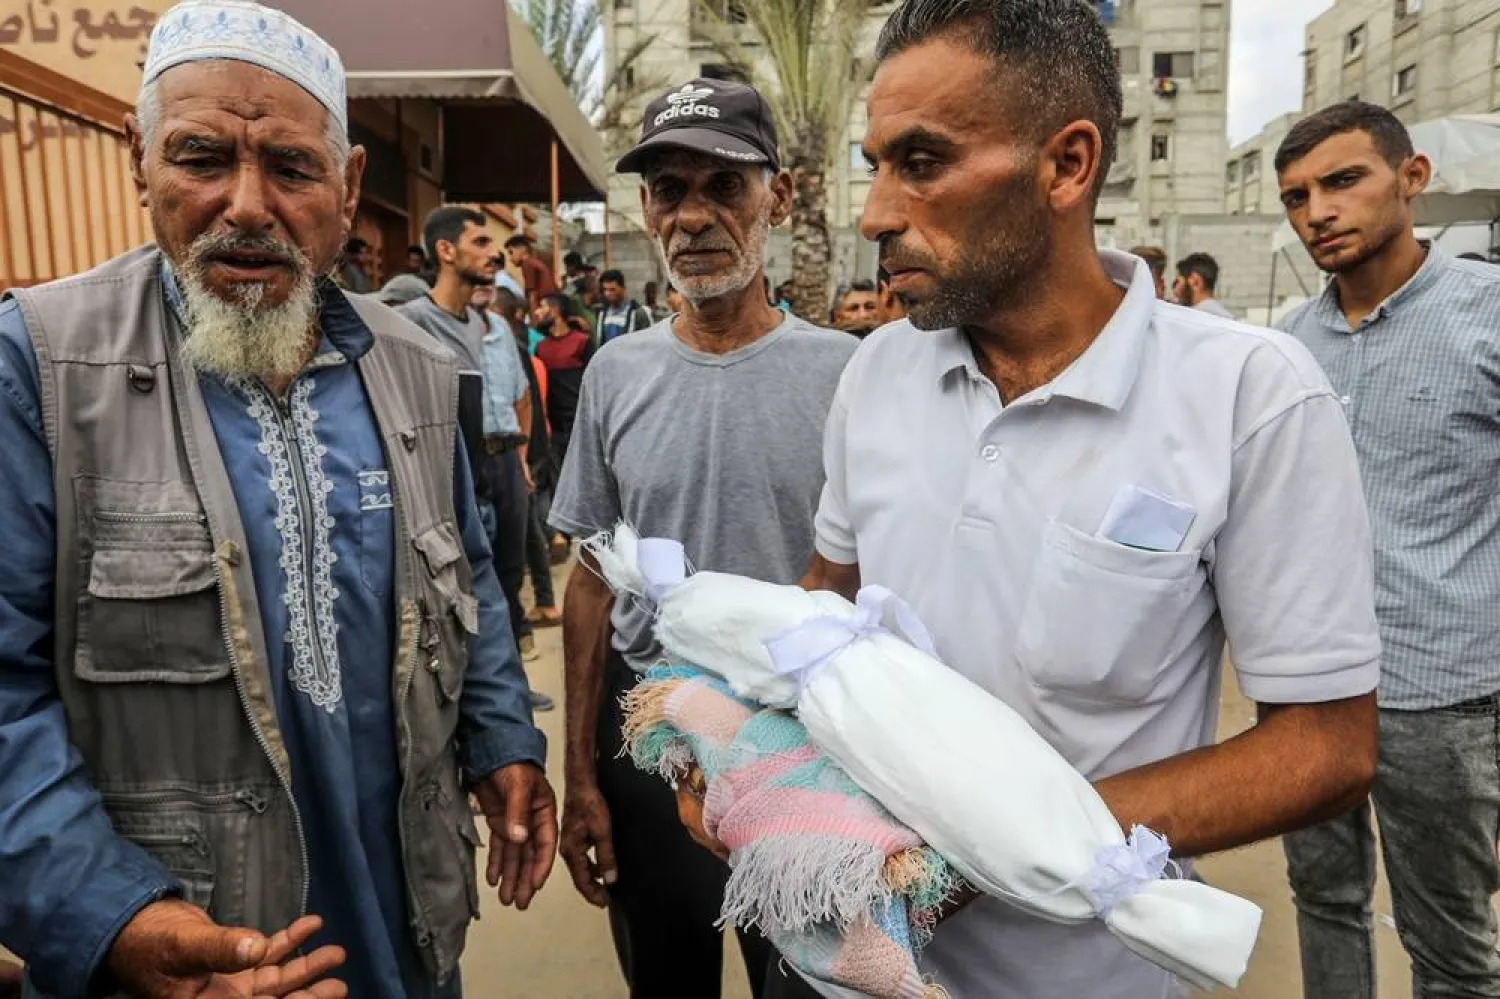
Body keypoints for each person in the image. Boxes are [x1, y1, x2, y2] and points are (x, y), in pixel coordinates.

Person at [675, 3, 1382, 997]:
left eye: (920, 163)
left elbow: (1326, 747)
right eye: (874, 163)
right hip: (857, 971)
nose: (875, 211)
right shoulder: (876, 376)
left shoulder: (1250, 396)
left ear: (1066, 165)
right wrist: (741, 748)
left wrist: (994, 846)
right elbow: (826, 603)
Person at [0, 4, 556, 998]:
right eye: (202, 157)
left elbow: (464, 568)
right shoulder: (37, 369)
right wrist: (110, 915)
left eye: (292, 169)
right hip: (199, 945)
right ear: (141, 162)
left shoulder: (420, 369)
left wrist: (504, 738)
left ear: (346, 190)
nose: (247, 205)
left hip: (408, 925)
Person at [549, 76, 858, 999]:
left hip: (805, 745)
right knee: (668, 980)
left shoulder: (850, 375)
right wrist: (581, 776)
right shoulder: (615, 375)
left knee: (804, 981)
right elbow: (592, 584)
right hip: (653, 743)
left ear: (781, 196)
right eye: (668, 191)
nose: (693, 216)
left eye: (724, 186)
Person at [1274, 100, 1500, 999]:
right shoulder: (1282, 348)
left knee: (1450, 936)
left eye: (1342, 180)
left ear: (1412, 179)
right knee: (1322, 898)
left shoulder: (1486, 318)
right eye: (1296, 196)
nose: (1317, 210)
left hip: (1442, 691)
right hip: (1305, 682)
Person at [472, 284, 556, 705]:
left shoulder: (501, 328)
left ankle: (513, 689)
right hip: (467, 460)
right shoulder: (430, 323)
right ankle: (485, 695)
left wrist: (521, 458)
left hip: (506, 456)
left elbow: (522, 397)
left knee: (509, 570)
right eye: (480, 245)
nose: (492, 260)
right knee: (473, 576)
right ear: (446, 252)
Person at [493, 288, 563, 631]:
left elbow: (526, 404)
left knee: (528, 527)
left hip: (524, 450)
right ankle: (545, 601)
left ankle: (542, 605)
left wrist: (524, 456)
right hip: (532, 445)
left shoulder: (512, 352)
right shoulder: (522, 352)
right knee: (531, 525)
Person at [533, 292, 591, 482]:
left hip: (579, 422)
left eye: (542, 306)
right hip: (554, 425)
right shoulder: (541, 347)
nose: (537, 312)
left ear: (555, 310)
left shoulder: (581, 342)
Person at [595, 269, 654, 347]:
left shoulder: (638, 313)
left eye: (612, 290)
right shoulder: (602, 313)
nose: (608, 294)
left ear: (623, 288)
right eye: (605, 290)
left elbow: (648, 342)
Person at [504, 234, 558, 316]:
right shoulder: (534, 262)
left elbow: (532, 295)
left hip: (545, 307)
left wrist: (534, 320)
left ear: (523, 249)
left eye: (511, 252)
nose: (510, 258)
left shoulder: (527, 264)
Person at [1173, 252, 1233, 317]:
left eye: (1177, 282)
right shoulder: (1228, 319)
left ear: (1195, 281)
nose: (1175, 290)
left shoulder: (1188, 319)